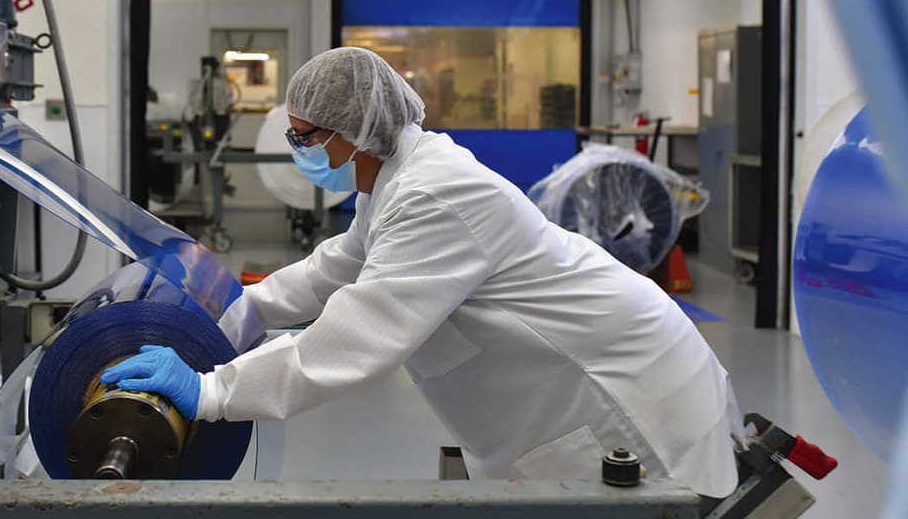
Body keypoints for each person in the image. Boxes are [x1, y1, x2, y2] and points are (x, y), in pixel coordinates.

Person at [102, 46, 742, 498]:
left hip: (627, 396)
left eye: (305, 137)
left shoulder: (436, 194)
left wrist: (212, 391)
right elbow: (334, 268)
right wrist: (233, 309)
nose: (297, 152)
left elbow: (356, 339)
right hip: (570, 391)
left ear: (354, 129)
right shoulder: (394, 180)